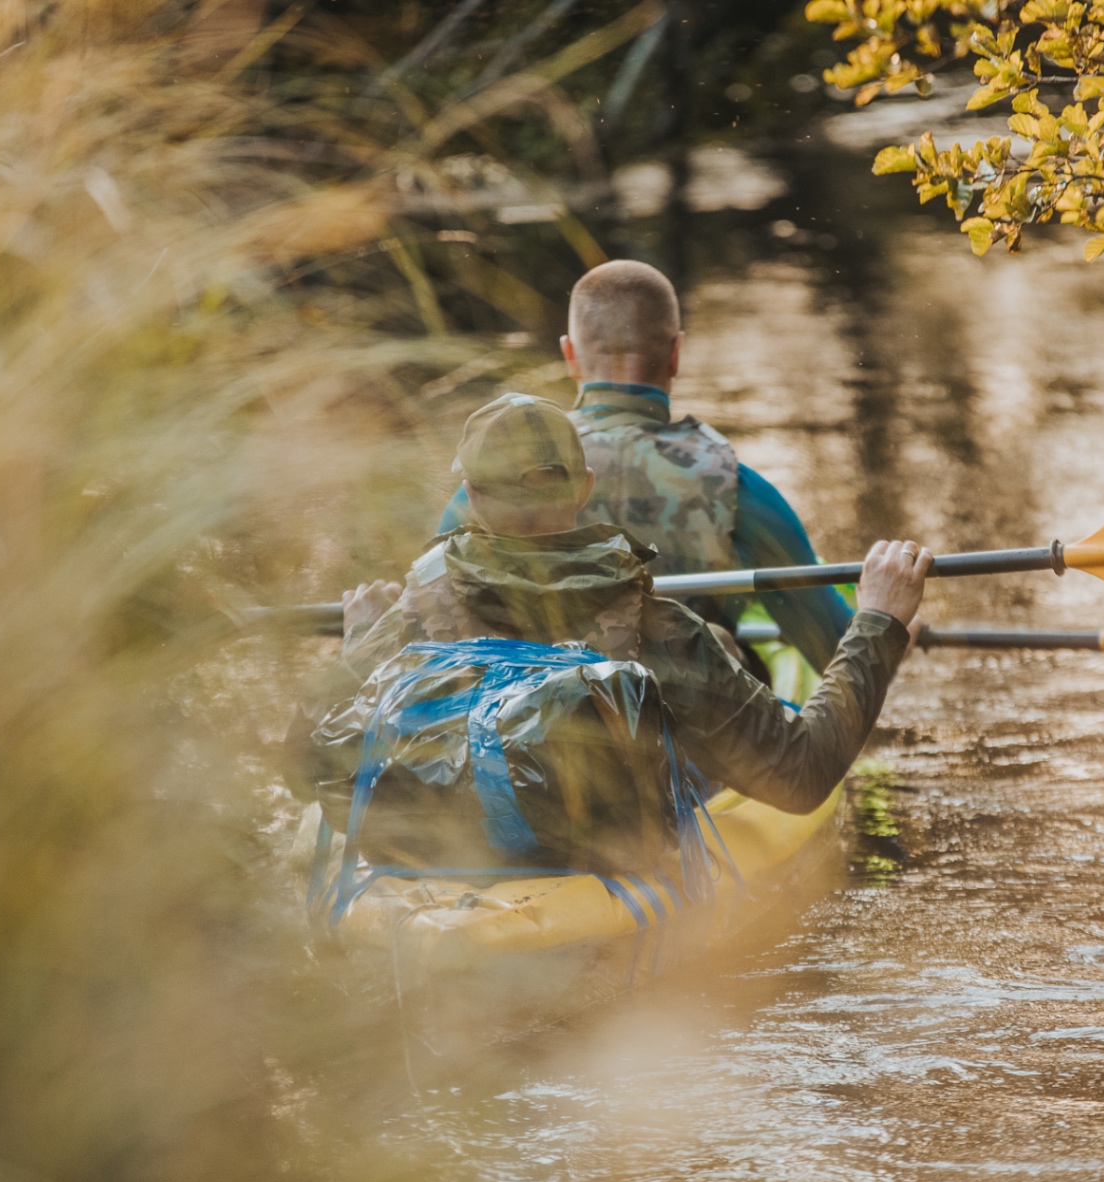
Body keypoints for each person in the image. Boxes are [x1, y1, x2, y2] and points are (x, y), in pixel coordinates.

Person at [331, 395, 930, 871]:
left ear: (471, 499)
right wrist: (879, 622)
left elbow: (318, 766)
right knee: (713, 685)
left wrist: (359, 646)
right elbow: (802, 777)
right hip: (599, 859)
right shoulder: (660, 630)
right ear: (584, 488)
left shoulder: (406, 621)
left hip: (439, 865)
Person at [437, 259, 854, 671]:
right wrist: (890, 621)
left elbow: (438, 619)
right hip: (687, 720)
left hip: (531, 716)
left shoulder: (487, 484)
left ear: (570, 354)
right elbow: (837, 652)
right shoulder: (734, 487)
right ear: (676, 354)